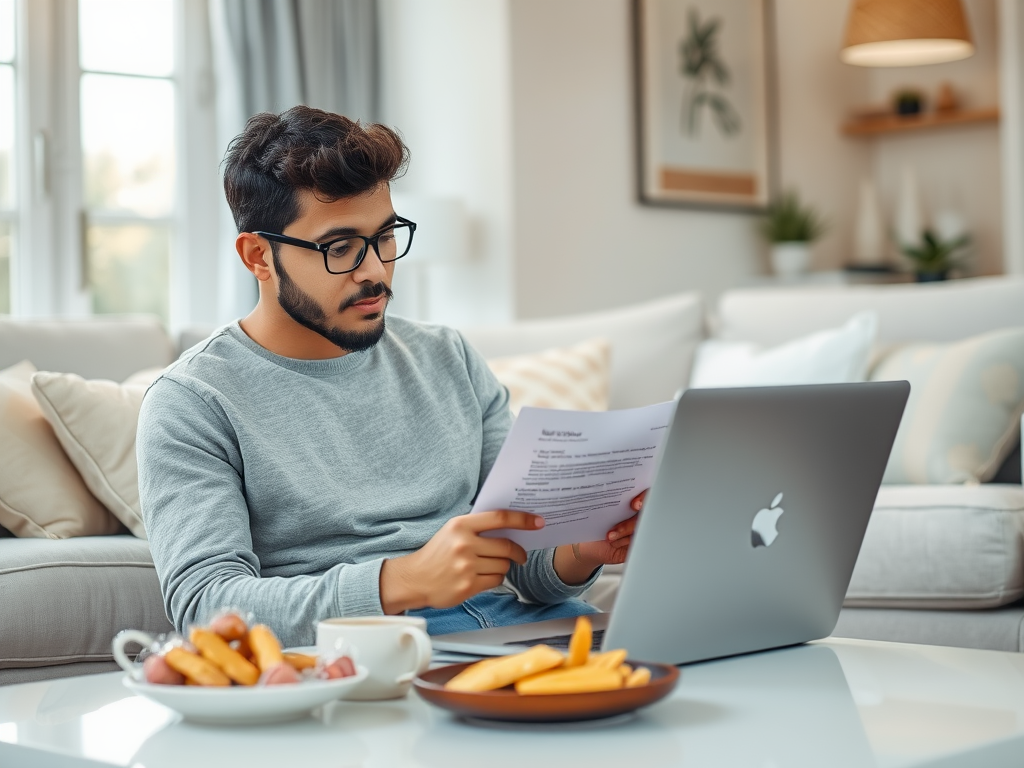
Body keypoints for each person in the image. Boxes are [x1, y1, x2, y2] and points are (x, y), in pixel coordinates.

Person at [137, 106, 645, 647]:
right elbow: (206, 608)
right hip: (372, 657)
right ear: (259, 256)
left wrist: (584, 547)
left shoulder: (448, 357)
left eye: (385, 237)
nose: (376, 270)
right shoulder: (192, 402)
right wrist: (401, 581)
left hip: (533, 634)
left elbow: (527, 559)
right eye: (341, 248)